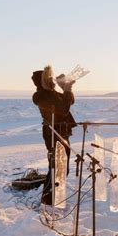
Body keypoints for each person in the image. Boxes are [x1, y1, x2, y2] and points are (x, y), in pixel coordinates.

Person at [31, 65, 76, 205]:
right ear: (43, 81)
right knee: (57, 167)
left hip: (61, 132)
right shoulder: (42, 96)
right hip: (54, 134)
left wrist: (65, 88)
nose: (52, 80)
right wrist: (67, 90)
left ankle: (51, 199)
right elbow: (63, 109)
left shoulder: (51, 94)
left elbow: (69, 101)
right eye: (49, 78)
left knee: (61, 167)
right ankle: (48, 200)